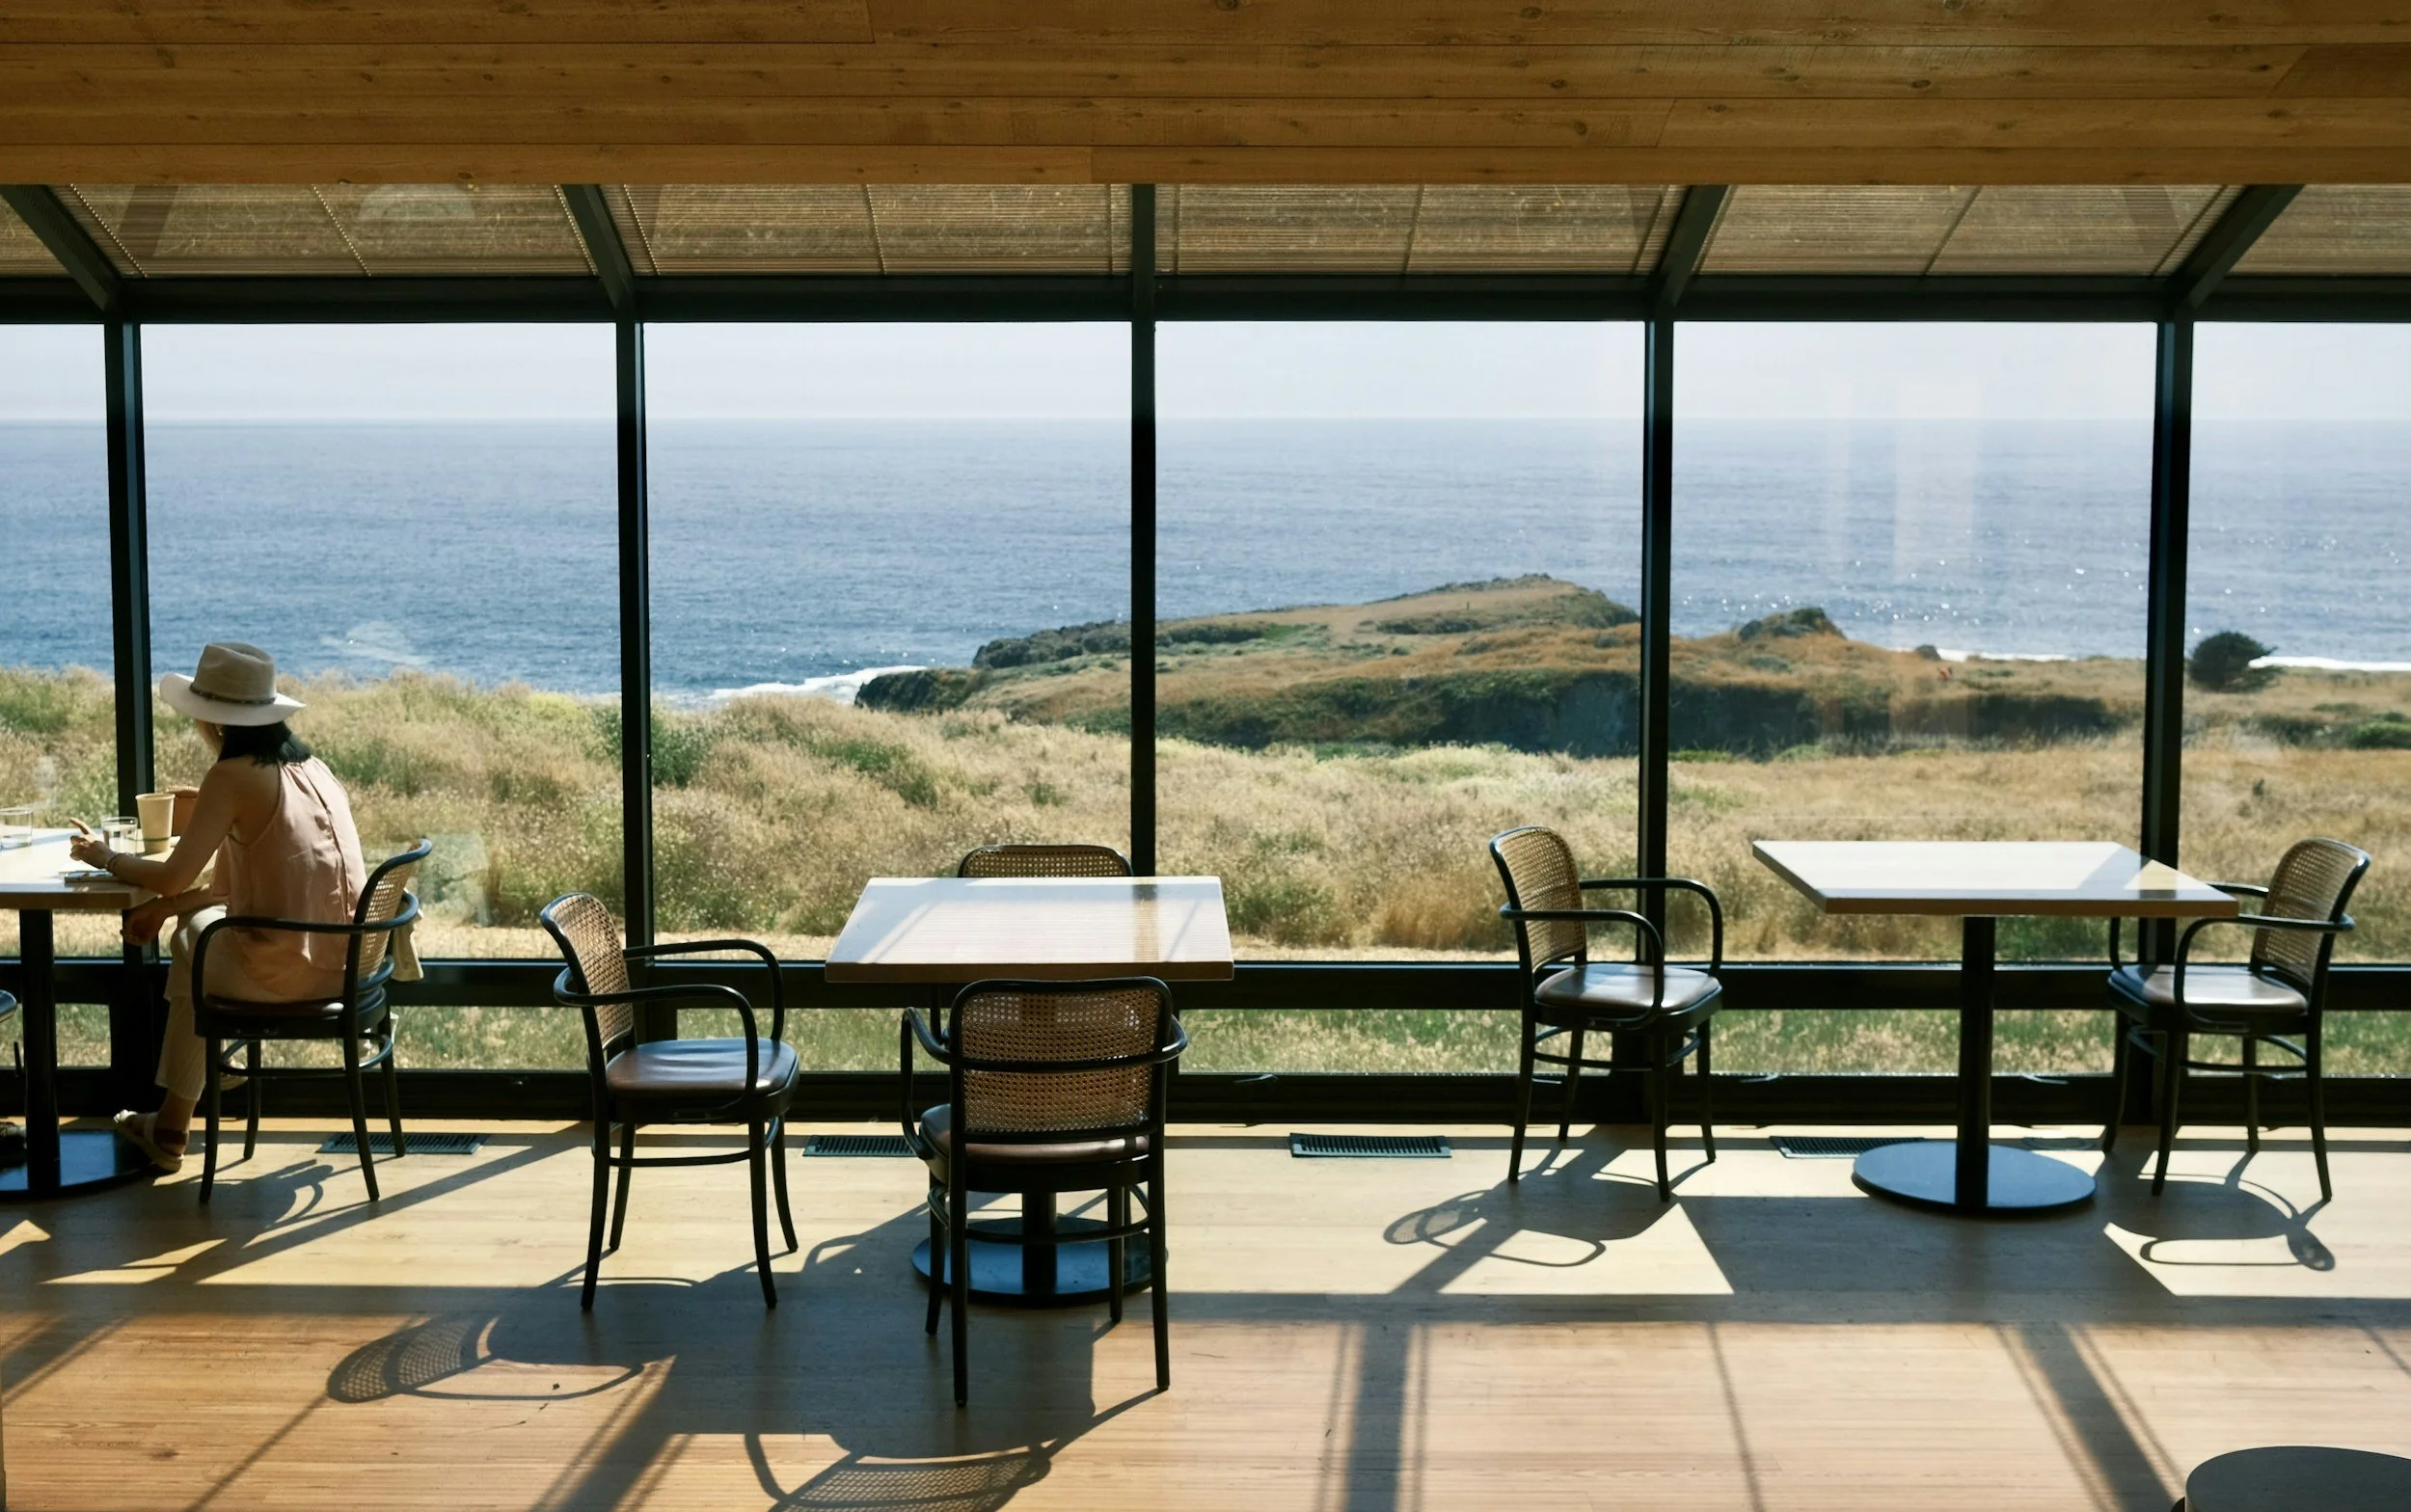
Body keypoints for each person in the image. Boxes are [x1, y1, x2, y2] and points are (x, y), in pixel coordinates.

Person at [69, 642, 366, 1174]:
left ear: (214, 718)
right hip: (345, 966)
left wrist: (105, 856)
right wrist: (166, 909)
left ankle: (187, 1096)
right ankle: (174, 1116)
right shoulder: (312, 768)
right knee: (193, 932)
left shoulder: (232, 777)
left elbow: (171, 875)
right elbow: (232, 888)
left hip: (289, 972)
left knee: (193, 941)